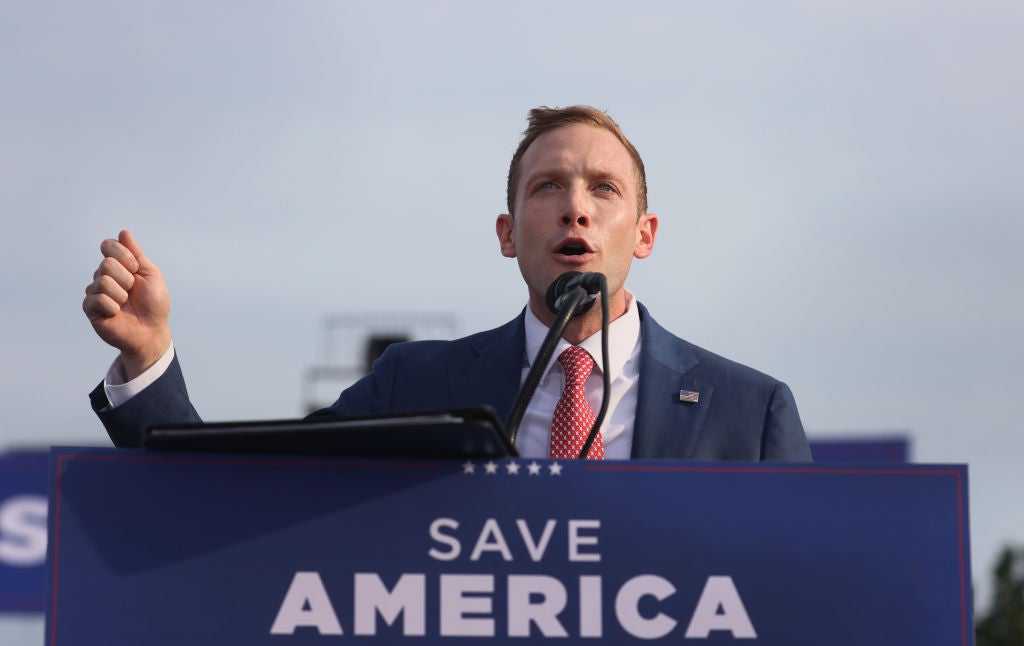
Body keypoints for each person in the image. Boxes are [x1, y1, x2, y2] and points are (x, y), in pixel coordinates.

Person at [83, 105, 812, 461]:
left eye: (603, 189)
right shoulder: (414, 383)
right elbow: (245, 497)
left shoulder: (749, 412)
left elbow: (807, 597)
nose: (576, 207)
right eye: (548, 187)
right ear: (507, 233)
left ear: (644, 235)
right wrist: (148, 360)